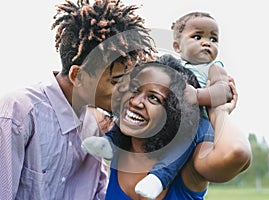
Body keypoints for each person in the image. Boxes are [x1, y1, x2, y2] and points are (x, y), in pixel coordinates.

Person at [0, 0, 155, 199]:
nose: (127, 92)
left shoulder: (93, 126)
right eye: (117, 81)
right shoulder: (18, 113)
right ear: (78, 76)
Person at [101, 54, 251, 199]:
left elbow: (237, 152)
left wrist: (219, 112)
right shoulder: (116, 145)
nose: (135, 102)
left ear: (174, 113)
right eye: (134, 89)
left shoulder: (189, 161)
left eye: (153, 98)